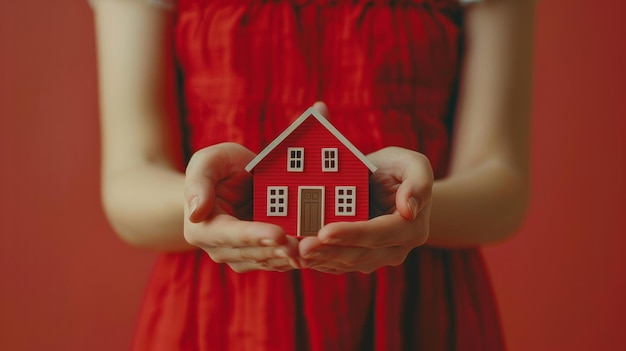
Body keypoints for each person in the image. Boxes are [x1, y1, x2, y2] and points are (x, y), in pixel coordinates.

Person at [90, 0, 534, 349]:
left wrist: (408, 206)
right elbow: (129, 179)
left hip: (418, 313)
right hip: (215, 317)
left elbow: (501, 185)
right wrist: (213, 204)